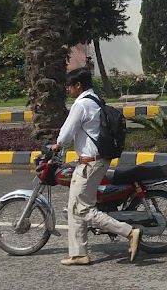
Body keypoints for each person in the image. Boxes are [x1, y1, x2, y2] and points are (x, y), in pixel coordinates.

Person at [50, 67, 141, 266]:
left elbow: (66, 135)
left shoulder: (81, 104)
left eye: (69, 86)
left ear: (78, 85)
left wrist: (58, 144)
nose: (67, 90)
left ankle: (129, 232)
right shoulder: (95, 100)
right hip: (97, 159)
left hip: (90, 163)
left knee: (82, 208)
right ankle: (78, 253)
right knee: (74, 206)